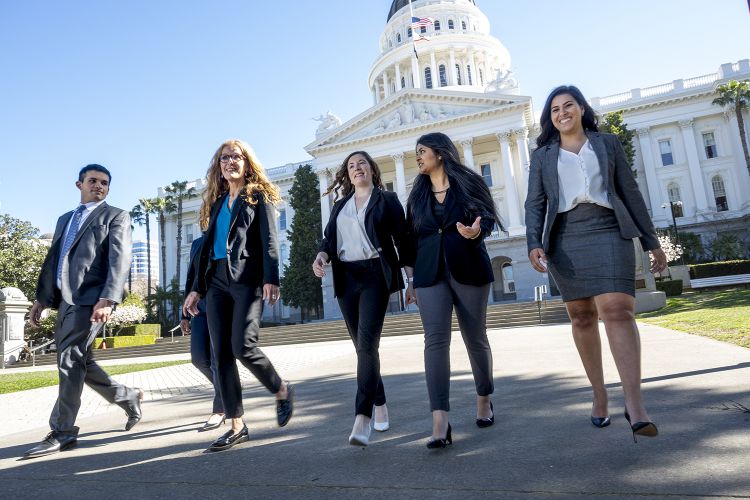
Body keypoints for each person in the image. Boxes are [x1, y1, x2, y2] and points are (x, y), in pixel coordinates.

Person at [524, 85, 667, 442]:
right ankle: (599, 393)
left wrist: (652, 242)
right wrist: (533, 244)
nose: (562, 113)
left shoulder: (608, 144)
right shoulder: (542, 155)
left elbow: (630, 192)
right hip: (564, 236)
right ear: (550, 118)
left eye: (568, 105)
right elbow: (534, 204)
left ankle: (635, 405)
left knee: (618, 310)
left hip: (609, 228)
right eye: (554, 109)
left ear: (582, 108)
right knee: (583, 316)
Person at [24, 164, 143, 458]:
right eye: (93, 181)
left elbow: (120, 259)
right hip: (66, 300)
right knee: (81, 362)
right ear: (79, 184)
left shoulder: (115, 216)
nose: (99, 186)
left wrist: (109, 298)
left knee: (68, 360)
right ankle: (128, 398)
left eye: (104, 183)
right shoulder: (66, 219)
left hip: (92, 300)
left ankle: (63, 431)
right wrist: (42, 299)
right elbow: (54, 262)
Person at [184, 139, 293, 452]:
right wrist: (196, 289)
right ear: (218, 166)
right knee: (221, 355)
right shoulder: (218, 202)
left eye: (235, 157)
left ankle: (281, 388)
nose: (229, 162)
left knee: (243, 346)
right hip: (216, 283)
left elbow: (270, 240)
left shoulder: (257, 196)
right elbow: (206, 250)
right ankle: (236, 424)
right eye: (224, 158)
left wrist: (271, 278)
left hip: (246, 280)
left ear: (247, 162)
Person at [403, 132, 501, 449]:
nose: (417, 158)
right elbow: (409, 240)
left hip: (469, 267)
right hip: (430, 274)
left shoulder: (469, 183)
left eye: (422, 152)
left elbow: (486, 215)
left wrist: (476, 231)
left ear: (440, 153)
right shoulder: (416, 195)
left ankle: (484, 399)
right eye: (416, 153)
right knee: (434, 342)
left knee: (475, 337)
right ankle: (440, 421)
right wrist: (411, 279)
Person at [312, 151, 408, 447]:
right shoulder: (339, 205)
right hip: (346, 277)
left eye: (362, 163)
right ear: (347, 174)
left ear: (371, 169)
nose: (357, 168)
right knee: (362, 348)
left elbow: (403, 240)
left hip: (374, 275)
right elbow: (329, 240)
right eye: (351, 166)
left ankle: (362, 417)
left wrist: (412, 280)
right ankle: (380, 403)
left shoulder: (386, 200)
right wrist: (321, 256)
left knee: (367, 344)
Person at [180, 234, 224, 431]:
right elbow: (192, 279)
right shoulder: (197, 243)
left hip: (222, 305)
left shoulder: (226, 236)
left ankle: (220, 409)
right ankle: (227, 390)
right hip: (199, 308)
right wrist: (184, 316)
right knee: (199, 359)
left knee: (218, 362)